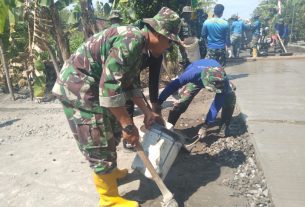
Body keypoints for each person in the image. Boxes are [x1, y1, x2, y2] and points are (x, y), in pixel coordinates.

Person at [52, 7, 181, 207]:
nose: (168, 47)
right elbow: (110, 87)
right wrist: (128, 125)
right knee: (98, 139)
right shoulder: (132, 40)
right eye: (169, 41)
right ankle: (109, 200)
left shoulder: (140, 45)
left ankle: (110, 173)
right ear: (157, 32)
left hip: (95, 88)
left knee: (111, 130)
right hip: (79, 89)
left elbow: (130, 83)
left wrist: (147, 111)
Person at [156, 59, 236, 139]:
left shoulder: (222, 81)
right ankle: (170, 127)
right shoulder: (192, 74)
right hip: (196, 79)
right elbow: (173, 86)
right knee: (182, 101)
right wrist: (159, 102)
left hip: (216, 79)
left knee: (230, 98)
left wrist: (205, 125)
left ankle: (223, 130)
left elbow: (216, 105)